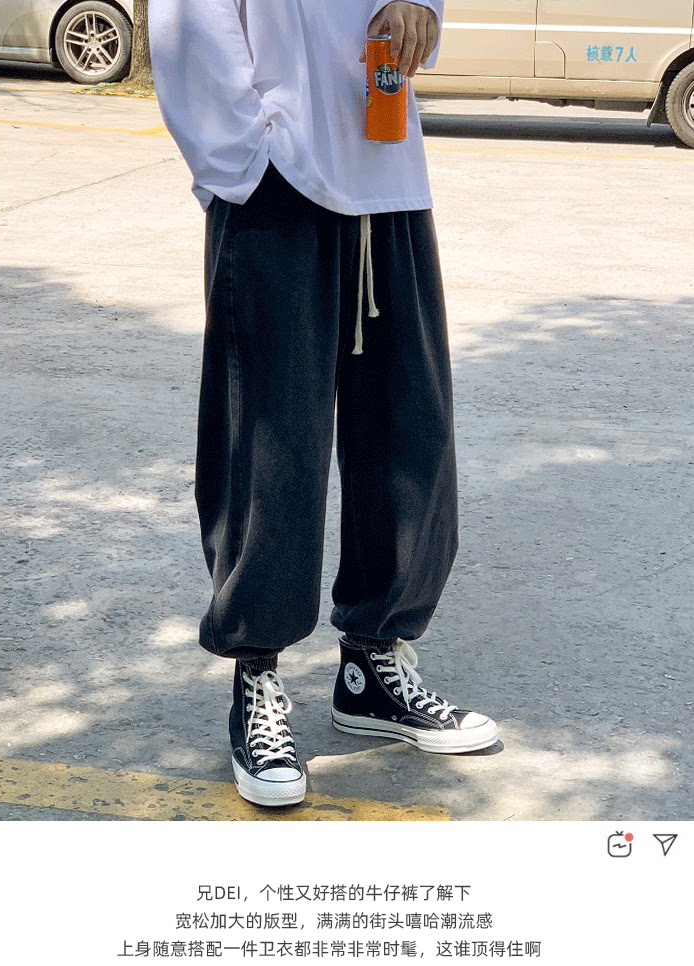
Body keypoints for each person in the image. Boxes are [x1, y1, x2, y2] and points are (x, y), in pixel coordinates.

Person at [148, 0, 498, 808]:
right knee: (272, 439)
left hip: (384, 161)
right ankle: (257, 672)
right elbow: (187, 19)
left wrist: (418, 7)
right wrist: (245, 154)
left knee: (409, 427)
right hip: (275, 176)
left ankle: (372, 662)